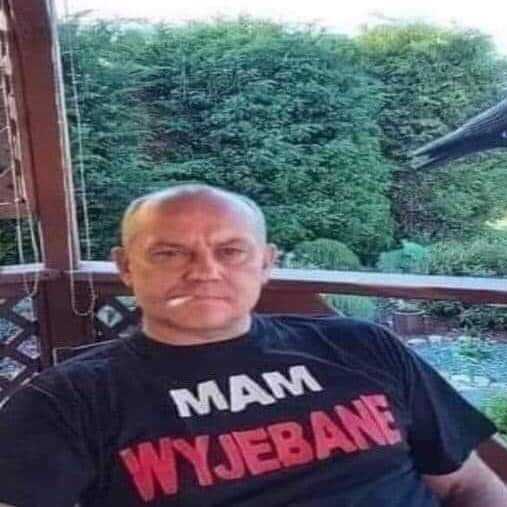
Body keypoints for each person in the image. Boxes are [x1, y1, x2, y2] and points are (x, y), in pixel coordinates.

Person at [0, 183, 506, 507]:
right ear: (126, 267)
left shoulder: (364, 347)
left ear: (265, 263)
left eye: (230, 251)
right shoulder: (68, 401)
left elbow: (468, 485)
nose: (204, 271)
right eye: (169, 252)